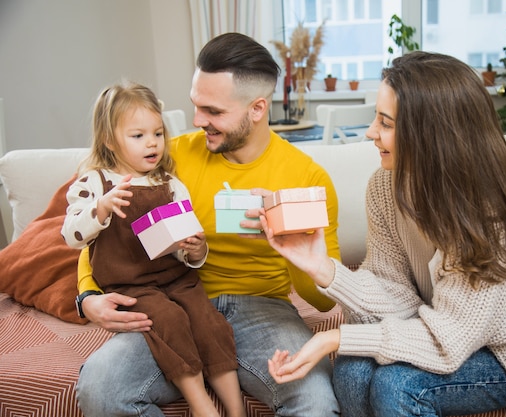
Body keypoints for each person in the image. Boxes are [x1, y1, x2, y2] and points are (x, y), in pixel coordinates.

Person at [264, 51, 506, 417]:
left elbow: (451, 339)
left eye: (385, 123)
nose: (371, 132)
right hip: (434, 324)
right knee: (353, 370)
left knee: (397, 385)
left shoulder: (486, 212)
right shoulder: (386, 185)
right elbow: (397, 296)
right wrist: (325, 270)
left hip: (501, 353)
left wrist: (336, 336)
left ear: (431, 135)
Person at [74, 33, 341, 417]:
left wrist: (297, 248)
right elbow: (103, 236)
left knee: (316, 402)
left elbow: (323, 300)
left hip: (263, 308)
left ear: (257, 108)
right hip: (170, 302)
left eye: (213, 112)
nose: (198, 121)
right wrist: (87, 298)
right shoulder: (170, 159)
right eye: (196, 106)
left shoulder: (307, 178)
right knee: (100, 388)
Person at [62, 81, 245, 417]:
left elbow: (186, 251)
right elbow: (71, 236)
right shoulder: (94, 182)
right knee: (171, 321)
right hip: (133, 286)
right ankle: (202, 405)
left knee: (210, 322)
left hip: (178, 279)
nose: (152, 143)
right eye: (138, 136)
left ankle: (236, 410)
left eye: (158, 134)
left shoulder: (170, 183)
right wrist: (100, 208)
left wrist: (195, 249)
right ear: (109, 141)